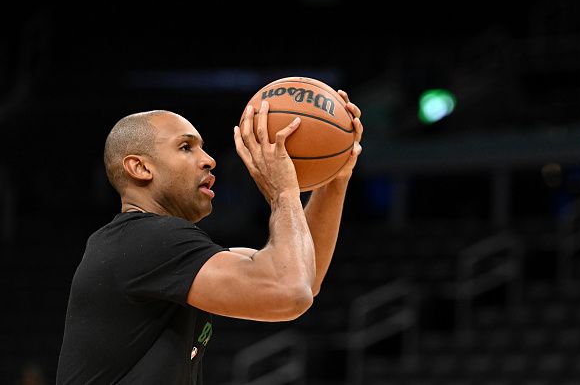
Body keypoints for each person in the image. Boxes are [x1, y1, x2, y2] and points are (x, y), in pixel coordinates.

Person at [56, 90, 363, 384]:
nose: (209, 159)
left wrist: (334, 179)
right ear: (140, 167)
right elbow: (290, 291)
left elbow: (303, 279)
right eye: (186, 147)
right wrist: (283, 192)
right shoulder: (147, 239)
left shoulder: (151, 247)